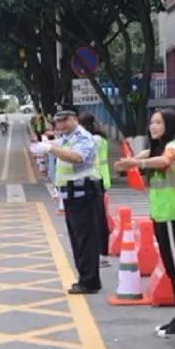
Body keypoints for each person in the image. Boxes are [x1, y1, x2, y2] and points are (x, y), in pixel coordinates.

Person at [115, 108, 175, 337]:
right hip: (160, 215)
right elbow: (143, 155)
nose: (154, 126)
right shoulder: (157, 147)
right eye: (152, 122)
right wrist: (130, 161)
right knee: (171, 267)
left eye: (159, 122)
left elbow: (164, 161)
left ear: (169, 125)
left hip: (172, 215)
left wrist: (137, 164)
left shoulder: (173, 146)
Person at [31, 109, 102, 294]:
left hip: (84, 196)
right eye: (58, 121)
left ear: (75, 119)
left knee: (85, 241)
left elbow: (77, 157)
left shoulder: (82, 137)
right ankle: (85, 279)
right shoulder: (67, 138)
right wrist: (45, 144)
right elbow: (59, 145)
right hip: (72, 197)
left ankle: (89, 282)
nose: (61, 124)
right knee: (78, 241)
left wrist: (49, 149)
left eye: (65, 120)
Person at [79, 112, 112, 268]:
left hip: (96, 180)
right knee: (98, 217)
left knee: (97, 219)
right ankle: (100, 252)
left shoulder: (95, 139)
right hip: (100, 179)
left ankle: (101, 253)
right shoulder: (100, 138)